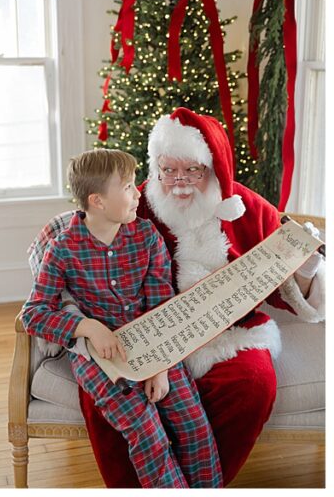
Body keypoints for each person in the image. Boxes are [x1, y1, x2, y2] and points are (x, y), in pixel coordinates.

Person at [76, 108, 325, 486]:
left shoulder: (249, 208)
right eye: (167, 170)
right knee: (108, 397)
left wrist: (305, 267)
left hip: (231, 333)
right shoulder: (133, 206)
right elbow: (85, 252)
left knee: (253, 384)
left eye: (192, 171)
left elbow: (288, 295)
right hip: (144, 331)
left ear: (214, 167)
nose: (178, 182)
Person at [22, 149, 221, 488]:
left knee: (195, 428)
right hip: (101, 358)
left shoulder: (146, 237)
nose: (138, 193)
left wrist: (159, 366)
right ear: (97, 201)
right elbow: (34, 314)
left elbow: (162, 307)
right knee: (148, 437)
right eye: (128, 187)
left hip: (156, 342)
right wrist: (86, 327)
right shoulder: (63, 248)